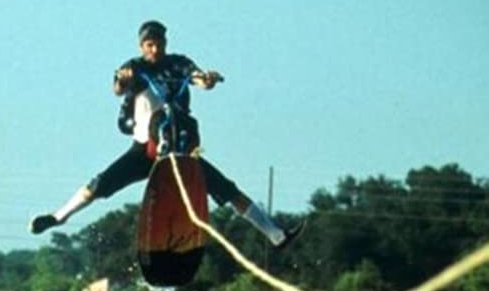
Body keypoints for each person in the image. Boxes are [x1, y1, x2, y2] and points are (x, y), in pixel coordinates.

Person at [29, 20, 302, 249]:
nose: (156, 49)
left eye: (159, 43)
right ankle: (59, 216)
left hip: (179, 152)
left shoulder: (179, 63)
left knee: (227, 189)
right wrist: (123, 80)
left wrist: (206, 79)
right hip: (144, 150)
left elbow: (197, 77)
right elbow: (118, 87)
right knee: (98, 185)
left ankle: (275, 235)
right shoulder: (135, 67)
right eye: (150, 44)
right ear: (141, 46)